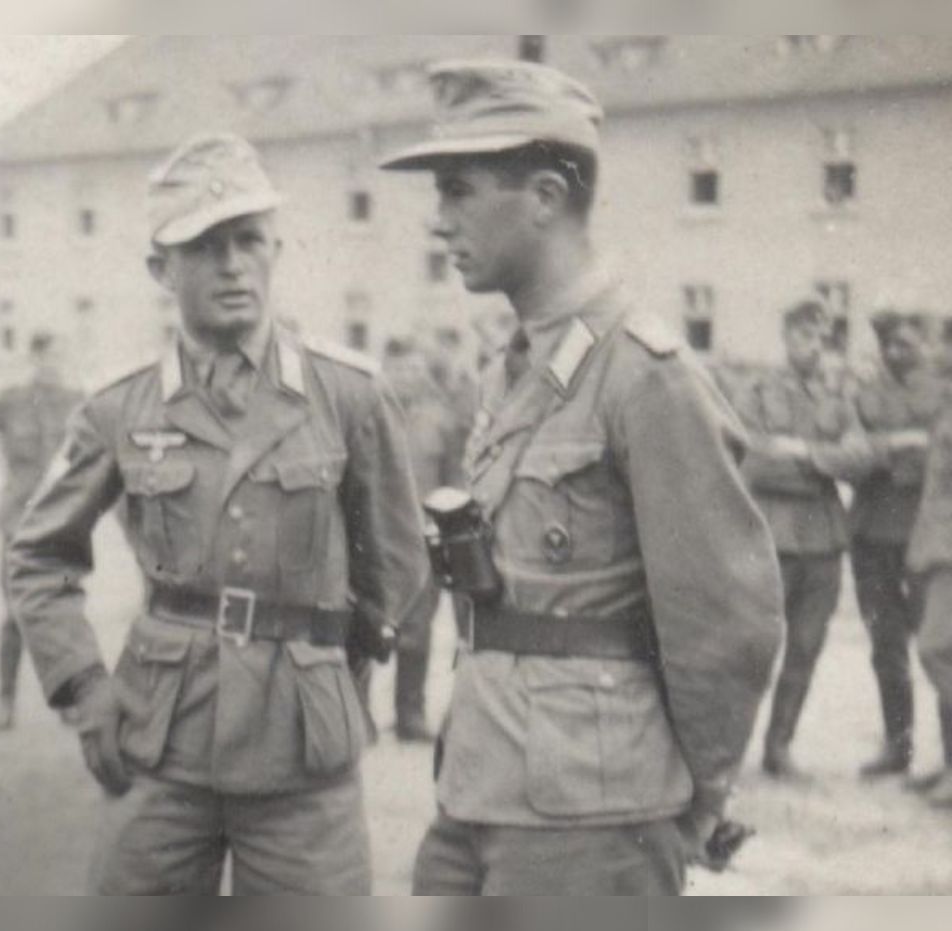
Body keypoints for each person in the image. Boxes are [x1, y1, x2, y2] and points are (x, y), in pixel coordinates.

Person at [381, 59, 782, 895]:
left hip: (595, 808)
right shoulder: (521, 366)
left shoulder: (646, 375)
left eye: (458, 190)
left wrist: (699, 798)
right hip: (481, 786)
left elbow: (726, 618)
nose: (437, 220)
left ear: (545, 196)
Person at [6, 133, 426, 894]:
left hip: (303, 758)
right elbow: (37, 554)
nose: (232, 264)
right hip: (161, 743)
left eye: (248, 240)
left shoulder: (349, 395)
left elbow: (396, 565)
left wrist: (330, 673)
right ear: (160, 269)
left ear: (276, 250)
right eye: (204, 246)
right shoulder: (119, 406)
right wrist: (85, 688)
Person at [736, 300, 877, 780]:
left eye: (819, 337)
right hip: (770, 537)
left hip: (823, 540)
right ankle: (729, 751)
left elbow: (862, 459)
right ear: (786, 337)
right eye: (802, 336)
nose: (811, 346)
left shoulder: (838, 394)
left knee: (806, 647)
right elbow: (752, 460)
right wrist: (823, 461)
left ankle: (779, 749)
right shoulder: (757, 390)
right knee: (753, 649)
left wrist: (799, 452)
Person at [0, 331, 84, 731]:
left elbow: (100, 450)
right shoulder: (12, 401)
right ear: (35, 359)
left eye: (60, 356)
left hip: (63, 523)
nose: (54, 364)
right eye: (48, 357)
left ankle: (66, 700)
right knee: (16, 613)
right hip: (18, 521)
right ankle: (5, 700)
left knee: (61, 612)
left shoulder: (79, 403)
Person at [848, 310, 943, 780]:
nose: (894, 353)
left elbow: (938, 456)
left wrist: (886, 449)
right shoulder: (864, 393)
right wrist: (898, 447)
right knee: (886, 645)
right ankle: (897, 745)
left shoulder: (943, 392)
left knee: (940, 645)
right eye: (887, 344)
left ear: (924, 343)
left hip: (926, 537)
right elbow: (849, 453)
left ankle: (950, 760)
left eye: (905, 343)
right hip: (871, 534)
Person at [369, 337, 471, 743]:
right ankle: (358, 715)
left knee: (418, 628)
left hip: (424, 540)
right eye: (399, 370)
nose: (408, 377)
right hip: (375, 538)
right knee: (366, 624)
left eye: (415, 370)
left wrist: (449, 533)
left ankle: (409, 715)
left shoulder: (440, 422)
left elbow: (453, 481)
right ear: (384, 371)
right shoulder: (367, 416)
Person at [908, 326, 952, 807]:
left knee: (936, 649)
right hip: (938, 546)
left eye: (944, 343)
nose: (935, 350)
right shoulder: (945, 400)